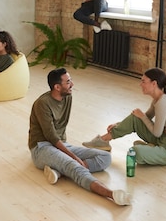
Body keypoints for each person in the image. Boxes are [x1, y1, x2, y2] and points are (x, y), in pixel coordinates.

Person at [28, 68, 132, 206]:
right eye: (68, 82)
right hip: (41, 147)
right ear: (57, 87)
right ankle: (112, 194)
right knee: (74, 165)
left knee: (105, 157)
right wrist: (75, 158)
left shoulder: (67, 97)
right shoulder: (42, 104)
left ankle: (59, 171)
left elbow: (60, 131)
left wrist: (71, 156)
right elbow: (51, 136)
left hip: (60, 144)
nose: (72, 84)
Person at [83, 67, 166, 167]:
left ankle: (151, 149)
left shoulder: (162, 103)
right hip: (163, 139)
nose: (140, 84)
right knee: (135, 118)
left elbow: (156, 132)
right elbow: (143, 119)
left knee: (135, 152)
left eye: (143, 81)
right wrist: (118, 124)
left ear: (154, 83)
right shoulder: (157, 99)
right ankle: (103, 141)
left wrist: (141, 115)